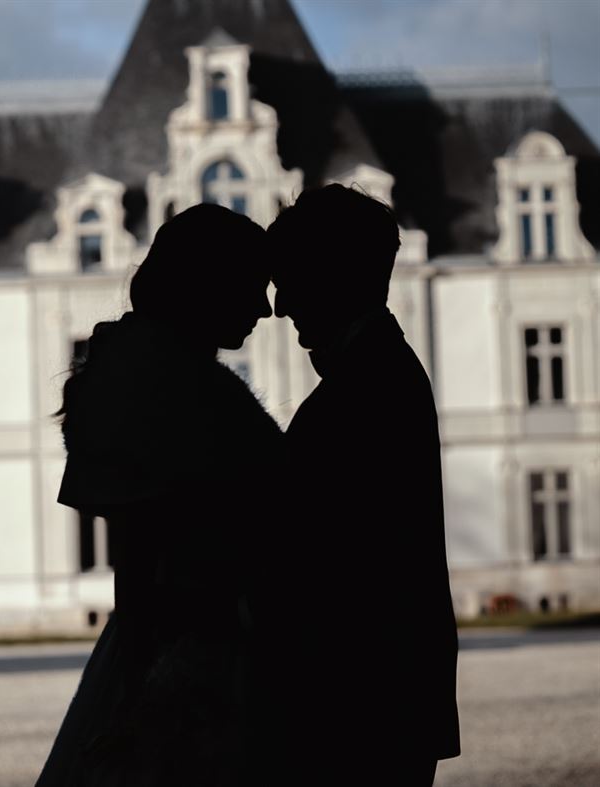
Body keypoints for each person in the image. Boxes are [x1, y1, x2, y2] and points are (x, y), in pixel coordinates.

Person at [36, 204, 281, 786]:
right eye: (253, 286)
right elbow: (145, 548)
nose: (264, 308)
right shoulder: (172, 388)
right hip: (199, 654)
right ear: (207, 285)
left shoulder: (148, 374)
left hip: (178, 645)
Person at [267, 184, 460, 785]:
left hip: (361, 699)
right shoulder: (375, 372)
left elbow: (331, 561)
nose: (277, 306)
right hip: (381, 696)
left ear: (332, 275)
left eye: (289, 278)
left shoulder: (366, 388)